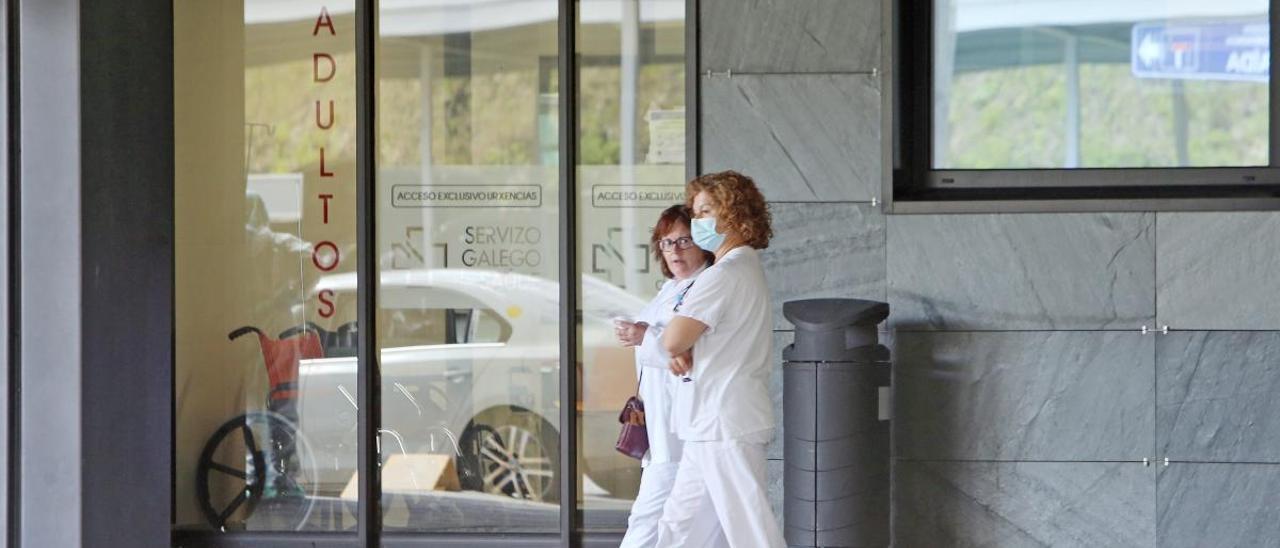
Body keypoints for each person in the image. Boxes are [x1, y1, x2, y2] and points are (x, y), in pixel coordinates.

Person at [655, 170, 785, 547]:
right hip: (713, 422)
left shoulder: (724, 274)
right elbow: (681, 343)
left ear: (734, 213)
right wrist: (682, 348)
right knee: (680, 525)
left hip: (724, 421)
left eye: (706, 211)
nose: (697, 223)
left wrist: (679, 346)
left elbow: (672, 338)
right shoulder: (741, 269)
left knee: (750, 532)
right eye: (695, 213)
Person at [613, 204, 727, 548]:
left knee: (650, 519)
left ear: (702, 242)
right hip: (663, 420)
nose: (674, 251)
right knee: (695, 523)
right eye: (666, 243)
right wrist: (640, 332)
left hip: (682, 421)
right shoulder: (671, 287)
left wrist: (643, 335)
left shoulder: (707, 285)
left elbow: (690, 350)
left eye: (683, 241)